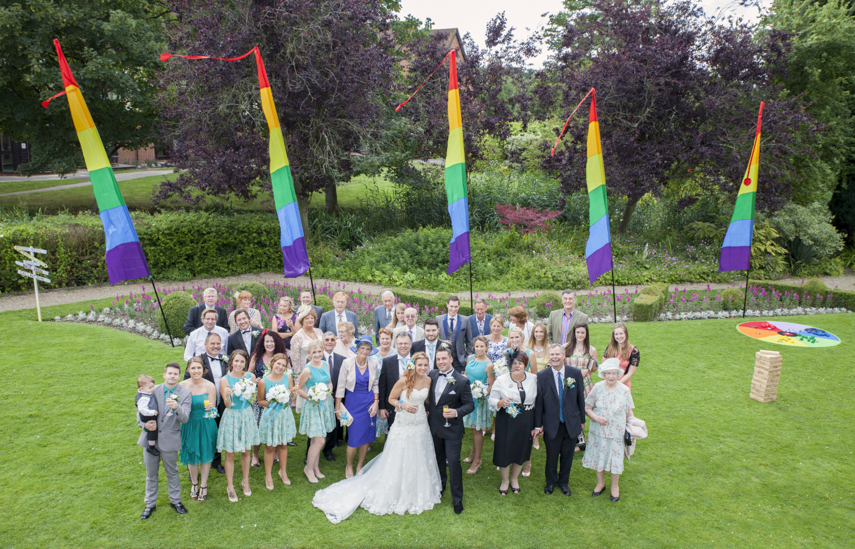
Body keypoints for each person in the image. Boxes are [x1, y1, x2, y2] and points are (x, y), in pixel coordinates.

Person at [312, 353, 442, 523]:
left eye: (426, 365)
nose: (423, 368)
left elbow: (426, 399)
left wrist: (425, 409)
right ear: (413, 365)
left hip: (420, 425)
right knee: (399, 455)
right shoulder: (404, 380)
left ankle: (417, 489)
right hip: (403, 424)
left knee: (419, 454)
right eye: (420, 365)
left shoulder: (428, 380)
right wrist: (402, 405)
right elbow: (391, 398)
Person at [138, 363, 191, 519]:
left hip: (170, 439)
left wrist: (177, 408)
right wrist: (144, 425)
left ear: (179, 376)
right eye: (170, 373)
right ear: (164, 375)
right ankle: (149, 504)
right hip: (150, 439)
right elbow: (139, 412)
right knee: (151, 474)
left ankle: (175, 501)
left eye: (175, 374)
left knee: (172, 472)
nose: (172, 376)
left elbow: (185, 418)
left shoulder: (185, 394)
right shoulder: (153, 390)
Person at [427, 346, 475, 515]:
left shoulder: (461, 381)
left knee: (453, 462)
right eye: (438, 359)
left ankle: (457, 498)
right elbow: (429, 400)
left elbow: (470, 405)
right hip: (435, 428)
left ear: (451, 359)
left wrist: (456, 412)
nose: (441, 362)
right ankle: (440, 486)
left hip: (452, 429)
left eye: (444, 359)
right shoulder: (431, 375)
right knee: (437, 459)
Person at [534, 344, 586, 496]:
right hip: (551, 423)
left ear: (564, 356)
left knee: (567, 455)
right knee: (551, 455)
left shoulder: (574, 373)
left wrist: (582, 420)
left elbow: (580, 398)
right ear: (549, 356)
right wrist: (539, 424)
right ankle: (550, 482)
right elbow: (539, 403)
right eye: (552, 354)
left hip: (570, 422)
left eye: (558, 354)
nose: (555, 357)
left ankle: (564, 482)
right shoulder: (542, 375)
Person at [582, 358, 635, 502]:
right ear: (604, 374)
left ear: (618, 374)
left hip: (616, 433)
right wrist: (596, 418)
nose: (611, 376)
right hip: (598, 431)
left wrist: (632, 429)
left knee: (615, 460)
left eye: (614, 373)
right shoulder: (597, 388)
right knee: (599, 456)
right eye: (608, 373)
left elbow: (629, 412)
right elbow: (587, 408)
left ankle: (614, 487)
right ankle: (600, 483)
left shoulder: (624, 390)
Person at [489, 350, 538, 495]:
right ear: (510, 365)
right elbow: (491, 400)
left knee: (521, 449)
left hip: (526, 419)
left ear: (526, 365)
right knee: (505, 449)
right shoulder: (501, 380)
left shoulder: (534, 379)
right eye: (514, 363)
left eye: (520, 363)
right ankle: (505, 481)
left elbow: (539, 401)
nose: (517, 366)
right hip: (507, 419)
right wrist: (500, 402)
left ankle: (514, 479)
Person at [216, 349, 260, 502]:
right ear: (231, 362)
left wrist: (249, 393)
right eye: (236, 361)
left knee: (246, 451)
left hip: (246, 416)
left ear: (245, 363)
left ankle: (245, 481)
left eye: (242, 361)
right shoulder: (224, 380)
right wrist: (228, 395)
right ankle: (230, 486)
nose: (239, 364)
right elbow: (227, 405)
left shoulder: (251, 377)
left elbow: (253, 401)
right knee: (230, 453)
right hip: (232, 417)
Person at [335, 338, 380, 478]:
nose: (365, 351)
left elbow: (375, 384)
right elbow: (341, 386)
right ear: (357, 349)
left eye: (368, 349)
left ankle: (360, 464)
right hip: (352, 402)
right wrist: (337, 408)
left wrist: (376, 402)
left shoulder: (373, 363)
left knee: (366, 437)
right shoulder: (347, 363)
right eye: (362, 348)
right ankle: (349, 464)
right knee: (354, 437)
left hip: (368, 402)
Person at [186, 332, 228, 474]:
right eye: (212, 343)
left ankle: (216, 461)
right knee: (199, 435)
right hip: (201, 406)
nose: (216, 346)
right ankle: (194, 464)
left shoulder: (225, 360)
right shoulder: (197, 362)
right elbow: (188, 383)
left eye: (218, 344)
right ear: (205, 345)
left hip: (221, 404)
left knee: (217, 433)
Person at [179, 357, 218, 502]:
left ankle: (204, 485)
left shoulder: (210, 386)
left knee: (206, 455)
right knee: (191, 455)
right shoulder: (182, 385)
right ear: (188, 370)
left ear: (204, 370)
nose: (196, 371)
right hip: (189, 424)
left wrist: (211, 408)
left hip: (206, 423)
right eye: (193, 368)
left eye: (199, 368)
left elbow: (213, 411)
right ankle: (194, 483)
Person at [297, 340, 337, 483]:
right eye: (314, 352)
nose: (317, 354)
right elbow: (298, 389)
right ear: (309, 353)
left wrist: (328, 392)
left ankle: (315, 468)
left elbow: (330, 382)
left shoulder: (325, 364)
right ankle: (308, 468)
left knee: (317, 439)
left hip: (325, 404)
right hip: (313, 406)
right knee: (320, 440)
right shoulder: (307, 370)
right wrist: (311, 397)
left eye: (319, 351)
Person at [257, 353, 297, 489]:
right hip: (270, 416)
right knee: (269, 447)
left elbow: (291, 398)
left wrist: (292, 395)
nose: (280, 367)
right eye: (278, 363)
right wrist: (273, 402)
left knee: (283, 444)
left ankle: (283, 471)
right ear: (272, 363)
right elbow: (260, 401)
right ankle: (268, 475)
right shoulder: (264, 381)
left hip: (284, 416)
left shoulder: (288, 377)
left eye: (283, 365)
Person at [248, 330, 286, 467]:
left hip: (276, 400)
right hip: (259, 399)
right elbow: (248, 375)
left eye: (272, 341)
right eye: (267, 341)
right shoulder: (256, 357)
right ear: (262, 343)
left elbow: (288, 376)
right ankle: (255, 455)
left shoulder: (281, 358)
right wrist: (255, 380)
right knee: (258, 426)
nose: (269, 344)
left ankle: (274, 452)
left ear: (276, 343)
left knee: (274, 426)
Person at [461, 336, 494, 474]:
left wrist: (481, 394)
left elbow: (491, 385)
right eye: (477, 346)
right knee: (473, 429)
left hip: (479, 401)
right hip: (468, 397)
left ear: (486, 347)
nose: (479, 349)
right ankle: (472, 454)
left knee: (477, 430)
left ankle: (477, 461)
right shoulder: (470, 359)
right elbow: (467, 376)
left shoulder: (489, 364)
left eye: (482, 346)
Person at [565, 322, 598, 452]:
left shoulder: (591, 349)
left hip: (585, 384)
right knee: (572, 411)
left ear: (586, 334)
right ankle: (578, 439)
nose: (580, 335)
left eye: (582, 332)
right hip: (570, 383)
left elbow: (594, 368)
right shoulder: (566, 347)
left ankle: (583, 438)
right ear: (574, 333)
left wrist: (588, 370)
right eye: (577, 332)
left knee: (583, 410)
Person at [378, 332, 413, 428]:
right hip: (393, 406)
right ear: (396, 345)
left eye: (405, 343)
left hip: (413, 405)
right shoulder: (387, 362)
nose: (403, 346)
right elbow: (382, 386)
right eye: (400, 344)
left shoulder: (417, 361)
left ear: (411, 344)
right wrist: (382, 407)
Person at [435, 296, 472, 373]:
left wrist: (468, 358)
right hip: (444, 359)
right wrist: (442, 341)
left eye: (456, 306)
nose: (453, 309)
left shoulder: (465, 320)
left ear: (459, 306)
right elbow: (433, 337)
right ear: (447, 305)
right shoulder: (439, 319)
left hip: (460, 360)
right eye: (451, 306)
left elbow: (469, 341)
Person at [603, 321, 640, 390]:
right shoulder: (611, 347)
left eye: (621, 334)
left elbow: (631, 373)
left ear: (626, 334)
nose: (619, 336)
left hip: (623, 384)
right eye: (616, 334)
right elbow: (603, 364)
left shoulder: (634, 351)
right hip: (608, 382)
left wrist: (617, 384)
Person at [290, 305, 323, 376]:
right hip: (305, 372)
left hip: (320, 370)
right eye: (307, 318)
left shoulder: (319, 332)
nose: (310, 320)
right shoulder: (298, 336)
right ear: (302, 321)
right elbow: (294, 357)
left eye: (312, 318)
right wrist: (299, 374)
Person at [136, 375, 159, 456]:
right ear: (141, 388)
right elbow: (142, 409)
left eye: (153, 387)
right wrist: (152, 412)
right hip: (147, 415)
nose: (152, 389)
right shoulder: (143, 398)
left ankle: (151, 446)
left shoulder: (146, 393)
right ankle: (151, 446)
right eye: (150, 388)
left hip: (148, 413)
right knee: (153, 429)